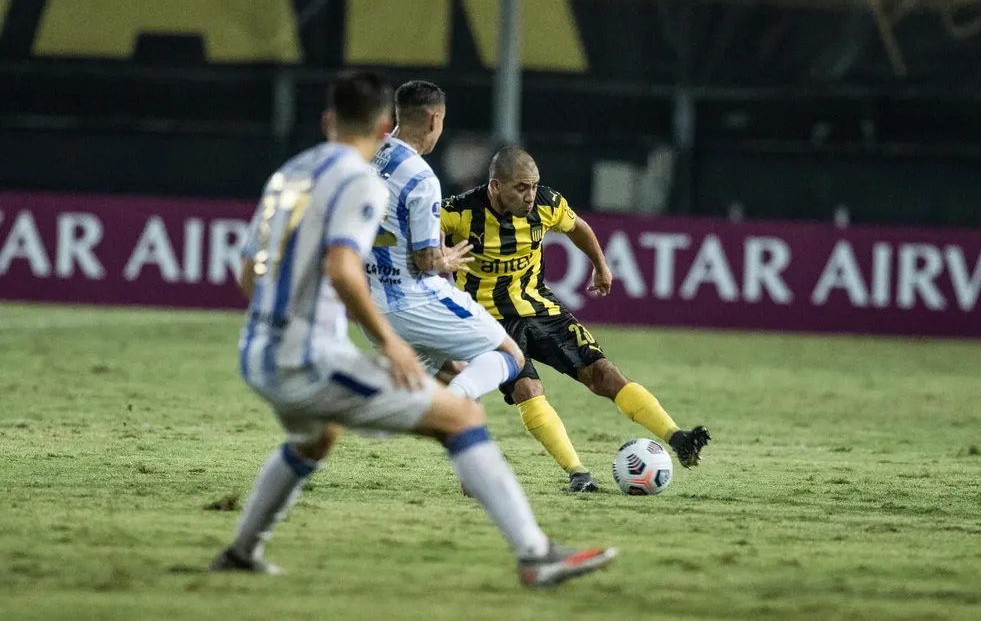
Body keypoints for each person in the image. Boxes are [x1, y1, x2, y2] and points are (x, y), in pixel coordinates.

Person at [210, 72, 616, 587]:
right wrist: (391, 344)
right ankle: (535, 555)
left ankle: (243, 551)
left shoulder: (290, 172)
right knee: (462, 418)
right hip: (310, 357)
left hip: (258, 349)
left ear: (328, 120)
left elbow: (249, 272)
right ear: (385, 122)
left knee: (313, 441)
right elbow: (343, 268)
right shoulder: (367, 179)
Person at [440, 145, 711, 492]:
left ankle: (677, 437)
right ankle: (578, 472)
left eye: (534, 186)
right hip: (489, 323)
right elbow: (423, 230)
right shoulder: (460, 211)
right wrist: (438, 253)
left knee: (603, 373)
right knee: (528, 388)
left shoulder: (547, 204)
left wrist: (601, 265)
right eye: (521, 187)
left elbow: (578, 227)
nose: (529, 195)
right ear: (496, 187)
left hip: (541, 308)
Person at [365, 80, 526, 405]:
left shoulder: (369, 155)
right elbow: (426, 261)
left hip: (369, 301)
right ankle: (445, 410)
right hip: (412, 301)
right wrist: (445, 260)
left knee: (458, 373)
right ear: (433, 119)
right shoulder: (421, 178)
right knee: (509, 355)